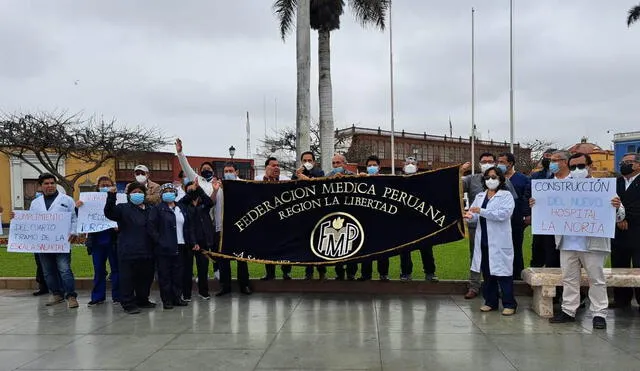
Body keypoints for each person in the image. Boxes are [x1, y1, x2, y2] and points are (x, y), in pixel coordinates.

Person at [532, 153, 624, 329]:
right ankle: (568, 310)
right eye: (573, 167)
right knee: (569, 278)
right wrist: (538, 204)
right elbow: (549, 208)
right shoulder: (560, 188)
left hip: (594, 243)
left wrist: (617, 206)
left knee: (596, 279)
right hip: (567, 242)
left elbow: (620, 217)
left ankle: (599, 313)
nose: (577, 170)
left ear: (590, 166)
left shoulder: (603, 188)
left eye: (581, 166)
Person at [460, 153, 517, 299]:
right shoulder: (472, 180)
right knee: (477, 258)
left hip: (498, 231)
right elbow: (457, 187)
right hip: (477, 228)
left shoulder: (505, 188)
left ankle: (501, 293)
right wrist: (468, 216)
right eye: (484, 161)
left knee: (497, 262)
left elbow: (508, 208)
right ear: (479, 164)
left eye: (490, 161)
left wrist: (482, 211)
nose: (487, 163)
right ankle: (475, 287)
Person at [27, 173, 79, 308]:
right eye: (46, 183)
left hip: (62, 242)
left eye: (52, 183)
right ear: (40, 186)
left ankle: (71, 296)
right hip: (43, 243)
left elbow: (74, 218)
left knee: (64, 269)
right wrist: (17, 218)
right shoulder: (35, 203)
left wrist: (74, 232)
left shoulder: (67, 200)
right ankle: (56, 294)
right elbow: (30, 221)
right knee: (48, 271)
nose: (50, 186)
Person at [104, 183, 156, 314]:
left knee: (145, 277)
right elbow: (109, 212)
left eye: (140, 192)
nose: (137, 194)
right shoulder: (123, 208)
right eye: (134, 192)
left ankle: (142, 299)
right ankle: (128, 302)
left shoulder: (150, 209)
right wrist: (111, 196)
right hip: (128, 250)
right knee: (127, 278)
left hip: (148, 250)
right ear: (129, 195)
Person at [148, 183, 195, 310]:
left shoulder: (181, 208)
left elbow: (188, 226)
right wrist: (160, 241)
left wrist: (192, 242)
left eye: (171, 191)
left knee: (178, 273)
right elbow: (152, 228)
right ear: (162, 194)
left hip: (180, 245)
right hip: (164, 248)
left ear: (175, 193)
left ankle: (177, 297)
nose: (169, 193)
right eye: (166, 191)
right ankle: (167, 300)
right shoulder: (157, 209)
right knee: (165, 275)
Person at [77, 175, 120, 306]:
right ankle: (97, 297)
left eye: (108, 185)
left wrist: (120, 225)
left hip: (114, 240)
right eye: (103, 186)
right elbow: (81, 217)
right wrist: (78, 207)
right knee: (99, 270)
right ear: (98, 188)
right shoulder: (89, 201)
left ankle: (118, 296)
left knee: (117, 270)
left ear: (113, 186)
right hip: (96, 241)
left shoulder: (118, 200)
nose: (105, 188)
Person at [398, 156, 438, 282]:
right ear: (403, 166)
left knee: (426, 248)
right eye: (408, 163)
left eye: (413, 163)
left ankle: (430, 272)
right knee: (404, 249)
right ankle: (405, 273)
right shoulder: (397, 181)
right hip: (404, 221)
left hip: (422, 221)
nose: (410, 165)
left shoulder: (425, 180)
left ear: (417, 166)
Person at [216, 162, 252, 296]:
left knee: (241, 258)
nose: (228, 173)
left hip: (240, 226)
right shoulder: (219, 186)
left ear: (236, 172)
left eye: (230, 170)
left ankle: (245, 285)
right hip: (223, 227)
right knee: (224, 258)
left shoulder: (243, 185)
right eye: (226, 170)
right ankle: (225, 286)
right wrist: (216, 189)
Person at [610, 152, 640, 310]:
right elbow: (609, 202)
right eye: (622, 162)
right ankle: (621, 299)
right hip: (618, 231)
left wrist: (627, 217)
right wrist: (619, 219)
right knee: (618, 265)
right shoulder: (617, 182)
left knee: (638, 266)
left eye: (628, 162)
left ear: (638, 165)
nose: (624, 165)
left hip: (637, 230)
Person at [292, 151, 327, 280]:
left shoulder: (319, 172)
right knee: (307, 245)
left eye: (309, 160)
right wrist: (298, 175)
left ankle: (322, 271)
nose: (307, 163)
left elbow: (318, 185)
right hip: (303, 214)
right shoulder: (296, 173)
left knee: (319, 243)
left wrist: (304, 177)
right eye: (305, 160)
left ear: (314, 161)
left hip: (317, 214)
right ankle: (308, 272)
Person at [497, 152, 531, 280]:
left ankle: (517, 276)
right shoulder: (495, 179)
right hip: (498, 221)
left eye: (502, 162)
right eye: (498, 162)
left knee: (516, 249)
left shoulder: (523, 179)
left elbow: (526, 198)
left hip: (516, 221)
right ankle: (501, 276)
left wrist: (527, 215)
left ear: (510, 163)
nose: (499, 164)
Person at [178, 178, 214, 300]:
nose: (192, 192)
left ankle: (203, 291)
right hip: (188, 241)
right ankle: (186, 293)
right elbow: (183, 201)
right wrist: (190, 192)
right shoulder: (183, 205)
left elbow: (210, 202)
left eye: (194, 190)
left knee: (203, 268)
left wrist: (199, 189)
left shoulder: (203, 203)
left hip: (203, 240)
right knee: (187, 269)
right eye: (189, 190)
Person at [258, 157, 293, 280]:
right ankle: (270, 273)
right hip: (268, 221)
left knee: (285, 247)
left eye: (278, 165)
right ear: (266, 167)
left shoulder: (286, 180)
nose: (276, 167)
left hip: (284, 220)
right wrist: (266, 180)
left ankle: (286, 272)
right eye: (273, 165)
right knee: (268, 247)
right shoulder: (258, 180)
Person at [358, 155, 390, 282]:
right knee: (366, 248)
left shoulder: (385, 179)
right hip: (366, 219)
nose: (372, 167)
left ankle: (383, 274)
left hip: (381, 220)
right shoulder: (362, 179)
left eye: (374, 165)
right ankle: (366, 274)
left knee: (383, 248)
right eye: (369, 165)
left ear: (379, 167)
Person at [327, 153, 358, 280]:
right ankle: (339, 273)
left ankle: (351, 273)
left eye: (338, 163)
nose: (335, 165)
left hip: (351, 215)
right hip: (334, 216)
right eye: (334, 163)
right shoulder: (328, 176)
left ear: (344, 164)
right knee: (338, 245)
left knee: (352, 245)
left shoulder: (352, 176)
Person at [529, 149, 557, 268]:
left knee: (554, 254)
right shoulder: (535, 176)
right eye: (546, 157)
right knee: (538, 250)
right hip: (540, 221)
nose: (548, 160)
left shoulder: (567, 180)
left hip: (558, 220)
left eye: (552, 158)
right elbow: (528, 193)